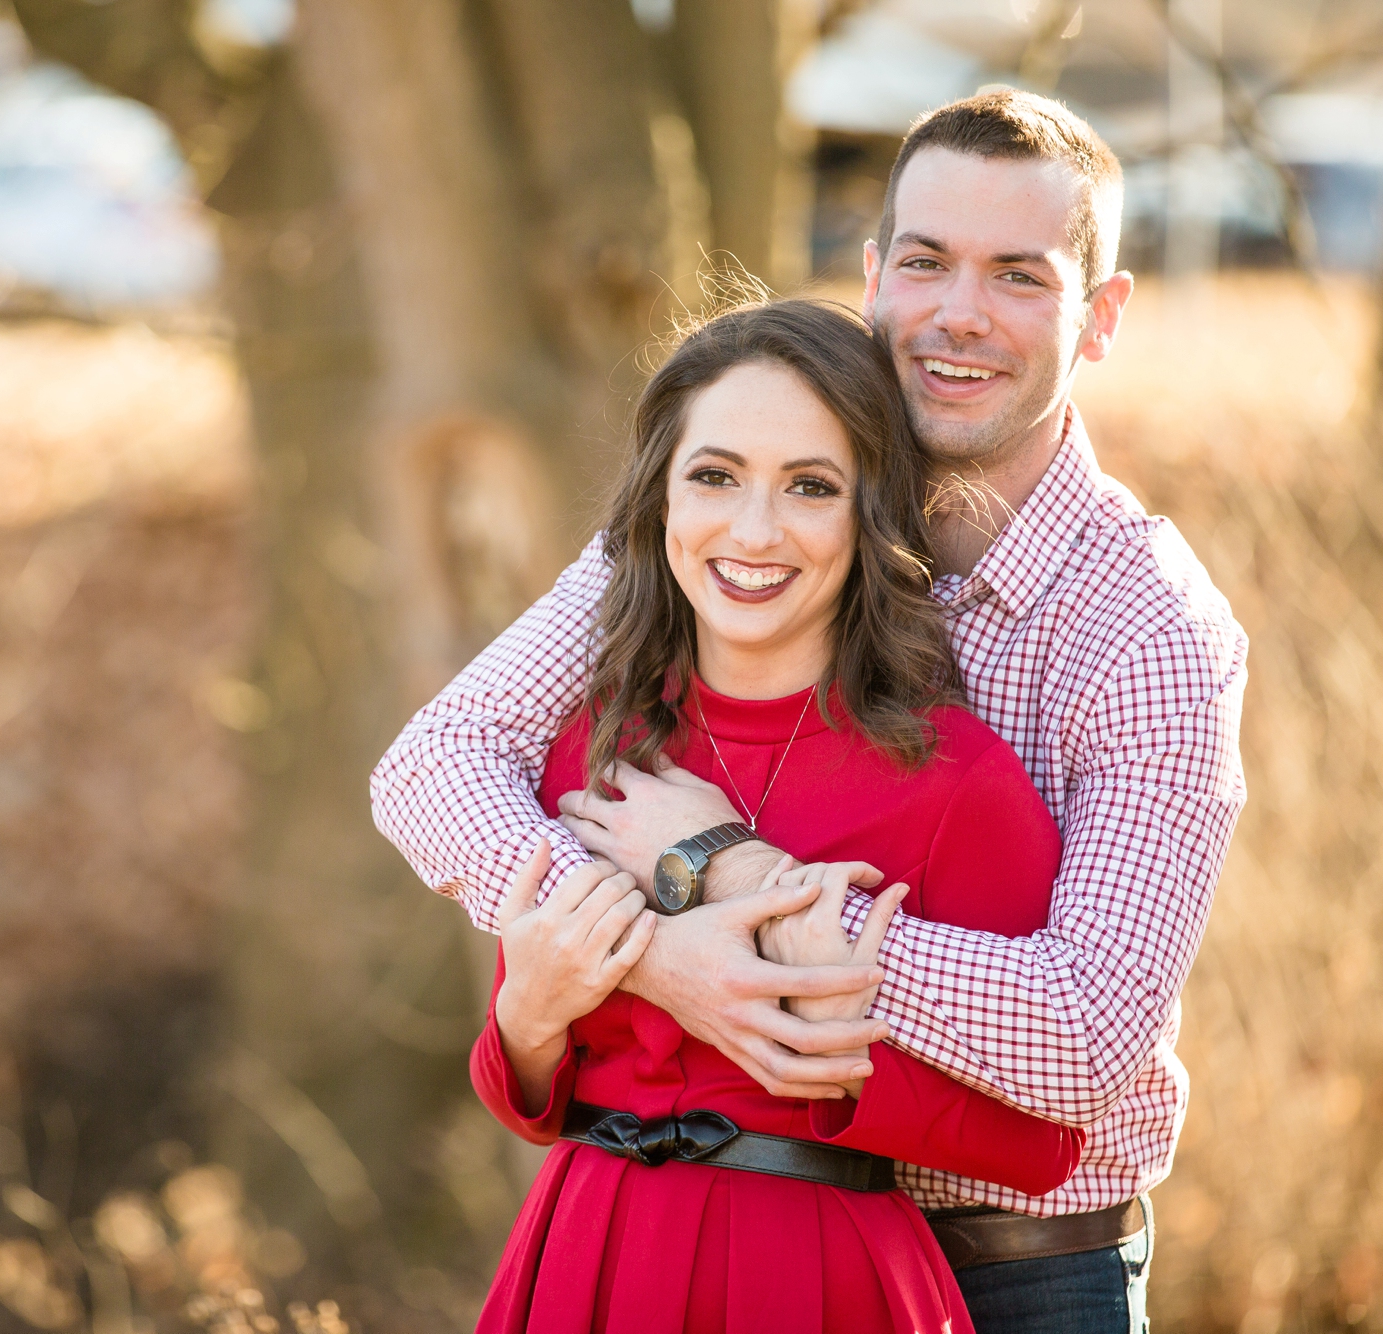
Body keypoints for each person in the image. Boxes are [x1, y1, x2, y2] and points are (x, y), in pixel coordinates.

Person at [372, 90, 1249, 1333]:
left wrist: (738, 883)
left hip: (1018, 1268)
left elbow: (1086, 1035)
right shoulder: (764, 507)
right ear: (872, 272)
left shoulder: (1145, 629)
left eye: (1017, 277)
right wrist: (658, 954)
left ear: (1098, 316)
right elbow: (435, 763)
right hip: (719, 1219)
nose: (957, 313)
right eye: (926, 261)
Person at [469, 297, 1081, 1333]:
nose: (752, 530)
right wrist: (526, 1016)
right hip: (586, 1250)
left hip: (814, 1275)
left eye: (808, 485)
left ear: (869, 513)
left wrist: (830, 1061)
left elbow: (1040, 1139)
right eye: (713, 475)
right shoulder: (593, 745)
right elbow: (533, 1084)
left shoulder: (953, 779)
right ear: (660, 497)